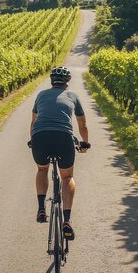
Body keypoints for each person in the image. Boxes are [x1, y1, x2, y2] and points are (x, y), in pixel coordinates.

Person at [29, 66, 89, 240]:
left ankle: (41, 208)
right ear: (67, 83)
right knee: (67, 177)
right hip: (63, 138)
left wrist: (33, 140)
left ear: (51, 81)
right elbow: (82, 124)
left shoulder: (41, 95)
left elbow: (33, 122)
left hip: (40, 137)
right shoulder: (73, 96)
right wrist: (84, 143)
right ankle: (67, 221)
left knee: (42, 170)